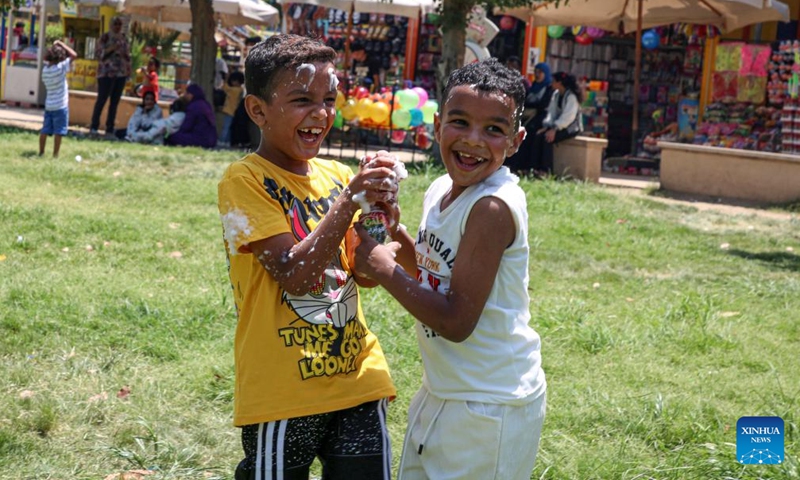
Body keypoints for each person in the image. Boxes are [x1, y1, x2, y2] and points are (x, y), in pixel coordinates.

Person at [352, 58, 547, 480]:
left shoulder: (492, 206)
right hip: (444, 390)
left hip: (490, 403)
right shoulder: (443, 189)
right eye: (460, 122)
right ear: (437, 125)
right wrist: (396, 236)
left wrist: (386, 271)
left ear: (516, 140)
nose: (474, 140)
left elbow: (457, 320)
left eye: (494, 129)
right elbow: (433, 266)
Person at [216, 34, 398, 479]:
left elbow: (366, 275)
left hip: (359, 375)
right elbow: (293, 275)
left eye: (328, 100)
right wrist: (350, 201)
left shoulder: (337, 175)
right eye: (301, 99)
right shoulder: (245, 180)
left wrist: (378, 213)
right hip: (283, 389)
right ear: (258, 110)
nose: (320, 113)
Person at [530, 71, 583, 175]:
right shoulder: (556, 94)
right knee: (538, 135)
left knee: (548, 138)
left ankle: (546, 171)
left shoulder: (571, 96)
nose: (551, 83)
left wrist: (554, 129)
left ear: (560, 83)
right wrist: (547, 126)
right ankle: (533, 168)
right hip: (557, 126)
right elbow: (551, 113)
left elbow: (568, 117)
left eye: (554, 81)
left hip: (571, 127)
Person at [504, 62, 553, 174]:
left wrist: (533, 107)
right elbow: (524, 102)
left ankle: (528, 167)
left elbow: (543, 105)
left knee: (528, 134)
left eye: (540, 72)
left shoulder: (549, 89)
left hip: (539, 119)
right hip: (526, 117)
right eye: (536, 72)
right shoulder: (533, 86)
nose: (537, 74)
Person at [90, 16, 131, 138]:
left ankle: (110, 127)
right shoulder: (105, 37)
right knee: (102, 99)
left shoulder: (124, 39)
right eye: (115, 24)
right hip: (106, 73)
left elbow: (128, 56)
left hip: (120, 73)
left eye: (119, 24)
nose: (117, 27)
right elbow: (99, 54)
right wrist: (111, 48)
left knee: (115, 102)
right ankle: (94, 126)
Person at [40, 40, 78, 157]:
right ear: (60, 57)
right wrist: (61, 44)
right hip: (61, 106)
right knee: (59, 131)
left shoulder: (45, 70)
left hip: (49, 105)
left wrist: (53, 47)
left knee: (45, 130)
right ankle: (55, 154)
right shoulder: (61, 68)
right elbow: (74, 55)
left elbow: (47, 60)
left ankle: (41, 152)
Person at [166, 84, 217, 148]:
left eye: (187, 93)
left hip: (201, 139)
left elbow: (186, 126)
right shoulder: (206, 104)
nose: (185, 95)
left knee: (173, 137)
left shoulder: (193, 107)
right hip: (212, 139)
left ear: (191, 95)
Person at [217, 71, 244, 148]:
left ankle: (222, 141)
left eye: (234, 80)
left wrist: (225, 79)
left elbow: (225, 88)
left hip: (230, 111)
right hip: (232, 111)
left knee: (225, 127)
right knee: (228, 128)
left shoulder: (235, 90)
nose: (232, 82)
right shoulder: (239, 90)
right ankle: (227, 142)